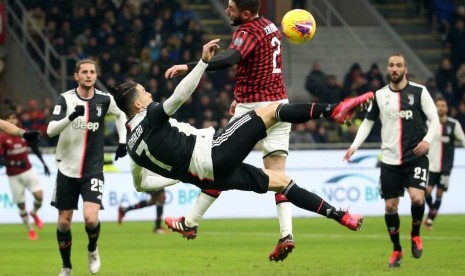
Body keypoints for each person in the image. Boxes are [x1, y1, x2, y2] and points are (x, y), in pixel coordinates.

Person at [109, 40, 373, 260]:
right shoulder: (152, 116)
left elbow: (142, 185)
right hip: (213, 154)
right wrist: (202, 63)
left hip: (210, 177)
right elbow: (179, 96)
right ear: (137, 106)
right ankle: (335, 110)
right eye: (144, 93)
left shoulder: (133, 148)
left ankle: (340, 215)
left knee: (282, 183)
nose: (150, 95)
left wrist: (178, 175)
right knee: (272, 110)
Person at [164, 0, 296, 261]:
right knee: (278, 175)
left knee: (218, 165)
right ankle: (286, 234)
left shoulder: (246, 31)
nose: (227, 12)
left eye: (231, 8)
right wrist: (242, 94)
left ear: (245, 14)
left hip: (253, 110)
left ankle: (190, 222)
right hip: (279, 105)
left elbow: (231, 58)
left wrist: (194, 65)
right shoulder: (269, 26)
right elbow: (262, 67)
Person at [343, 53, 441, 268]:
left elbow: (434, 119)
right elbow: (368, 122)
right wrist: (354, 146)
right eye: (391, 65)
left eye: (398, 65)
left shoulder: (419, 92)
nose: (394, 69)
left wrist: (426, 140)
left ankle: (415, 233)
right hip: (389, 160)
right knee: (390, 207)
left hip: (415, 156)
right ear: (388, 69)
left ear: (405, 68)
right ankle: (397, 249)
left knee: (417, 198)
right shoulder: (379, 95)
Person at [47, 59, 128, 276]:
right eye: (84, 72)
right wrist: (70, 117)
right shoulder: (65, 99)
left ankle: (92, 249)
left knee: (91, 219)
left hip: (92, 169)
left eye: (92, 72)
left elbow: (121, 114)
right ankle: (66, 266)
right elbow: (50, 130)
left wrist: (123, 141)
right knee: (64, 223)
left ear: (96, 75)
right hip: (66, 169)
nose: (89, 75)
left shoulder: (104, 100)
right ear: (76, 76)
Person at [0, 110, 50, 240]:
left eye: (13, 118)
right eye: (8, 119)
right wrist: (15, 162)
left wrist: (44, 164)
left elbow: (34, 148)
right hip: (13, 175)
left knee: (39, 196)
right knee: (21, 205)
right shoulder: (2, 138)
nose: (12, 121)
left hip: (28, 170)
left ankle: (33, 213)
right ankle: (30, 230)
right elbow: (0, 159)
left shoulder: (23, 133)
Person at [424, 97, 465, 230]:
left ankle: (430, 220)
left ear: (447, 108)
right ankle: (433, 210)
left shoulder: (454, 124)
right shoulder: (428, 123)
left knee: (439, 193)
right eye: (438, 105)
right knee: (426, 192)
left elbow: (463, 140)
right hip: (430, 165)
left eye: (443, 105)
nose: (440, 108)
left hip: (446, 166)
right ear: (434, 107)